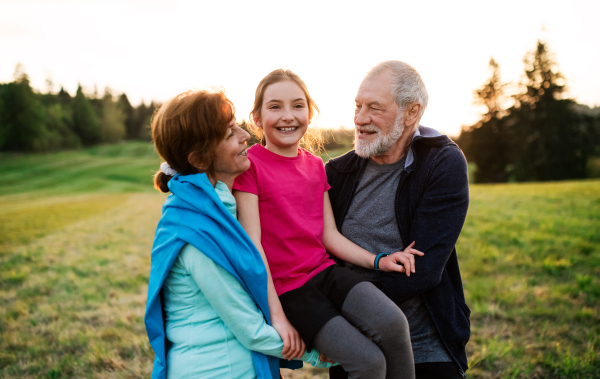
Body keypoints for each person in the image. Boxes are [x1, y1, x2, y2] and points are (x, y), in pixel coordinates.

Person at [233, 68, 418, 379]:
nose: (287, 116)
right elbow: (253, 250)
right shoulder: (250, 167)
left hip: (326, 274)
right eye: (275, 107)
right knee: (369, 362)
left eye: (297, 105)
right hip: (290, 292)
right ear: (256, 117)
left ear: (309, 112)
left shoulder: (315, 165)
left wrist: (380, 261)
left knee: (394, 324)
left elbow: (329, 235)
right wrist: (276, 316)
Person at [144, 89, 333, 379]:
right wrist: (325, 353)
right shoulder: (195, 232)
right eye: (229, 134)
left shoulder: (221, 209)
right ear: (199, 160)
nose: (245, 134)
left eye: (237, 125)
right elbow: (250, 330)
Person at [325, 61, 471, 379]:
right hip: (354, 349)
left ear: (411, 113)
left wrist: (344, 313)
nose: (360, 119)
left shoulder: (441, 163)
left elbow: (423, 269)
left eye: (374, 108)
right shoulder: (336, 173)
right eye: (358, 106)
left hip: (427, 349)